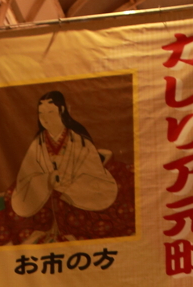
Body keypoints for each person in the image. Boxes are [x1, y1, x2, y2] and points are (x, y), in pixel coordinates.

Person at [11, 90, 118, 222]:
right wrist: (47, 179)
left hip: (75, 190)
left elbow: (93, 170)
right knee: (23, 200)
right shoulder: (38, 142)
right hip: (46, 191)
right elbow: (26, 175)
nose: (44, 118)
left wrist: (69, 180)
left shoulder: (79, 139)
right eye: (41, 113)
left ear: (61, 110)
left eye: (50, 112)